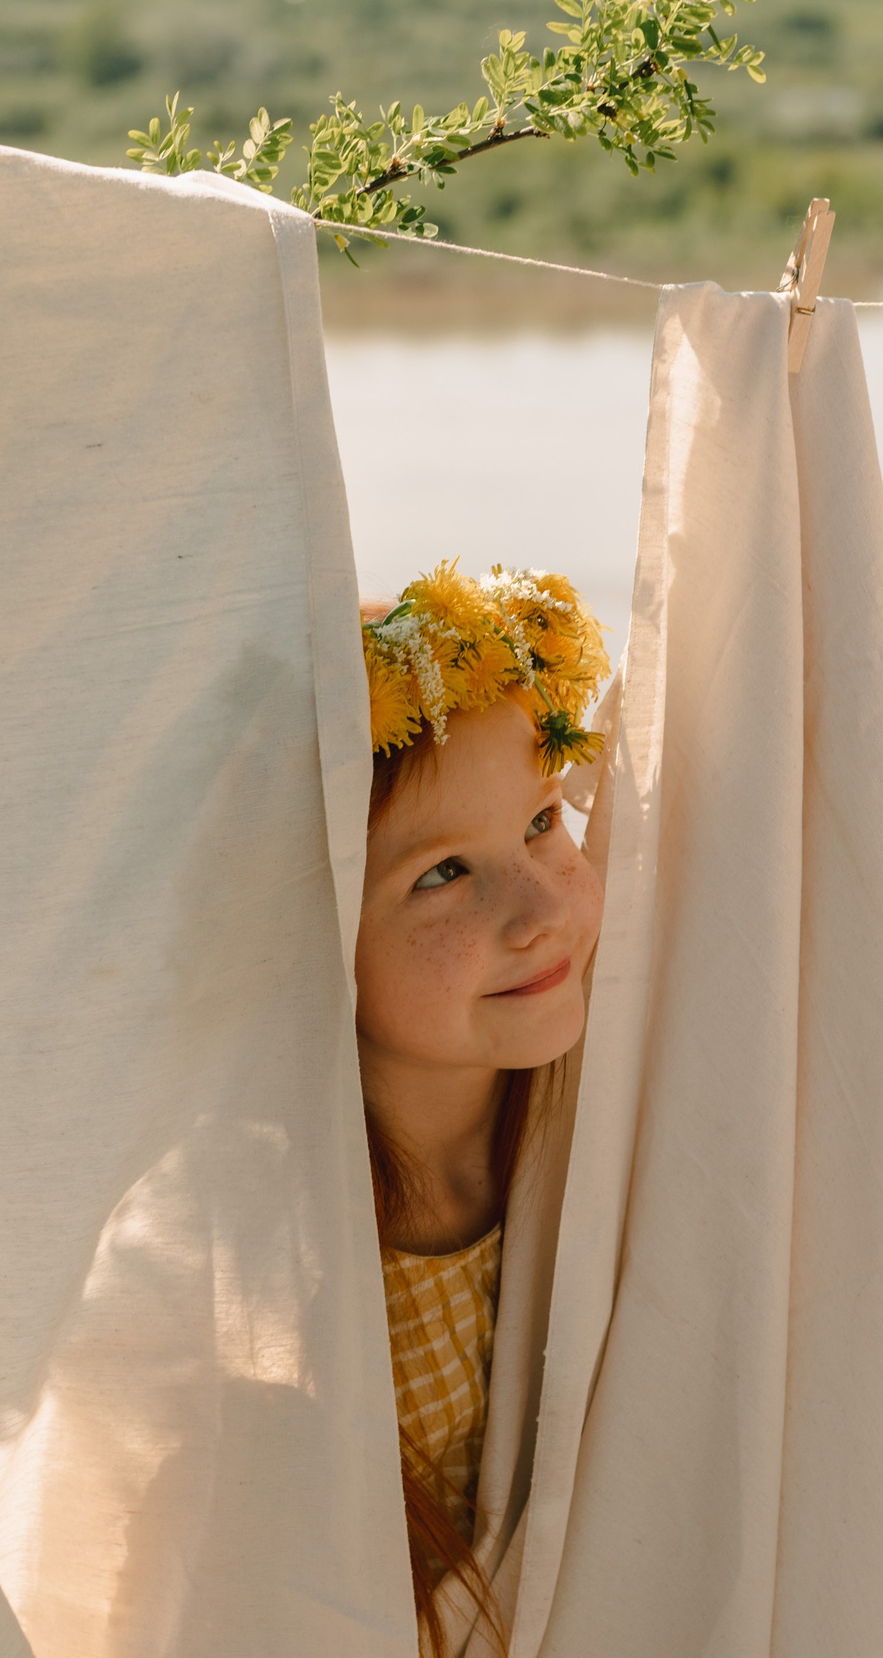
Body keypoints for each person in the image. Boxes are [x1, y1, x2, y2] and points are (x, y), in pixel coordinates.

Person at [353, 562, 608, 1656]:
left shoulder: (604, 1114)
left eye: (544, 821)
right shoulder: (297, 1265)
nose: (540, 907)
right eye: (444, 872)